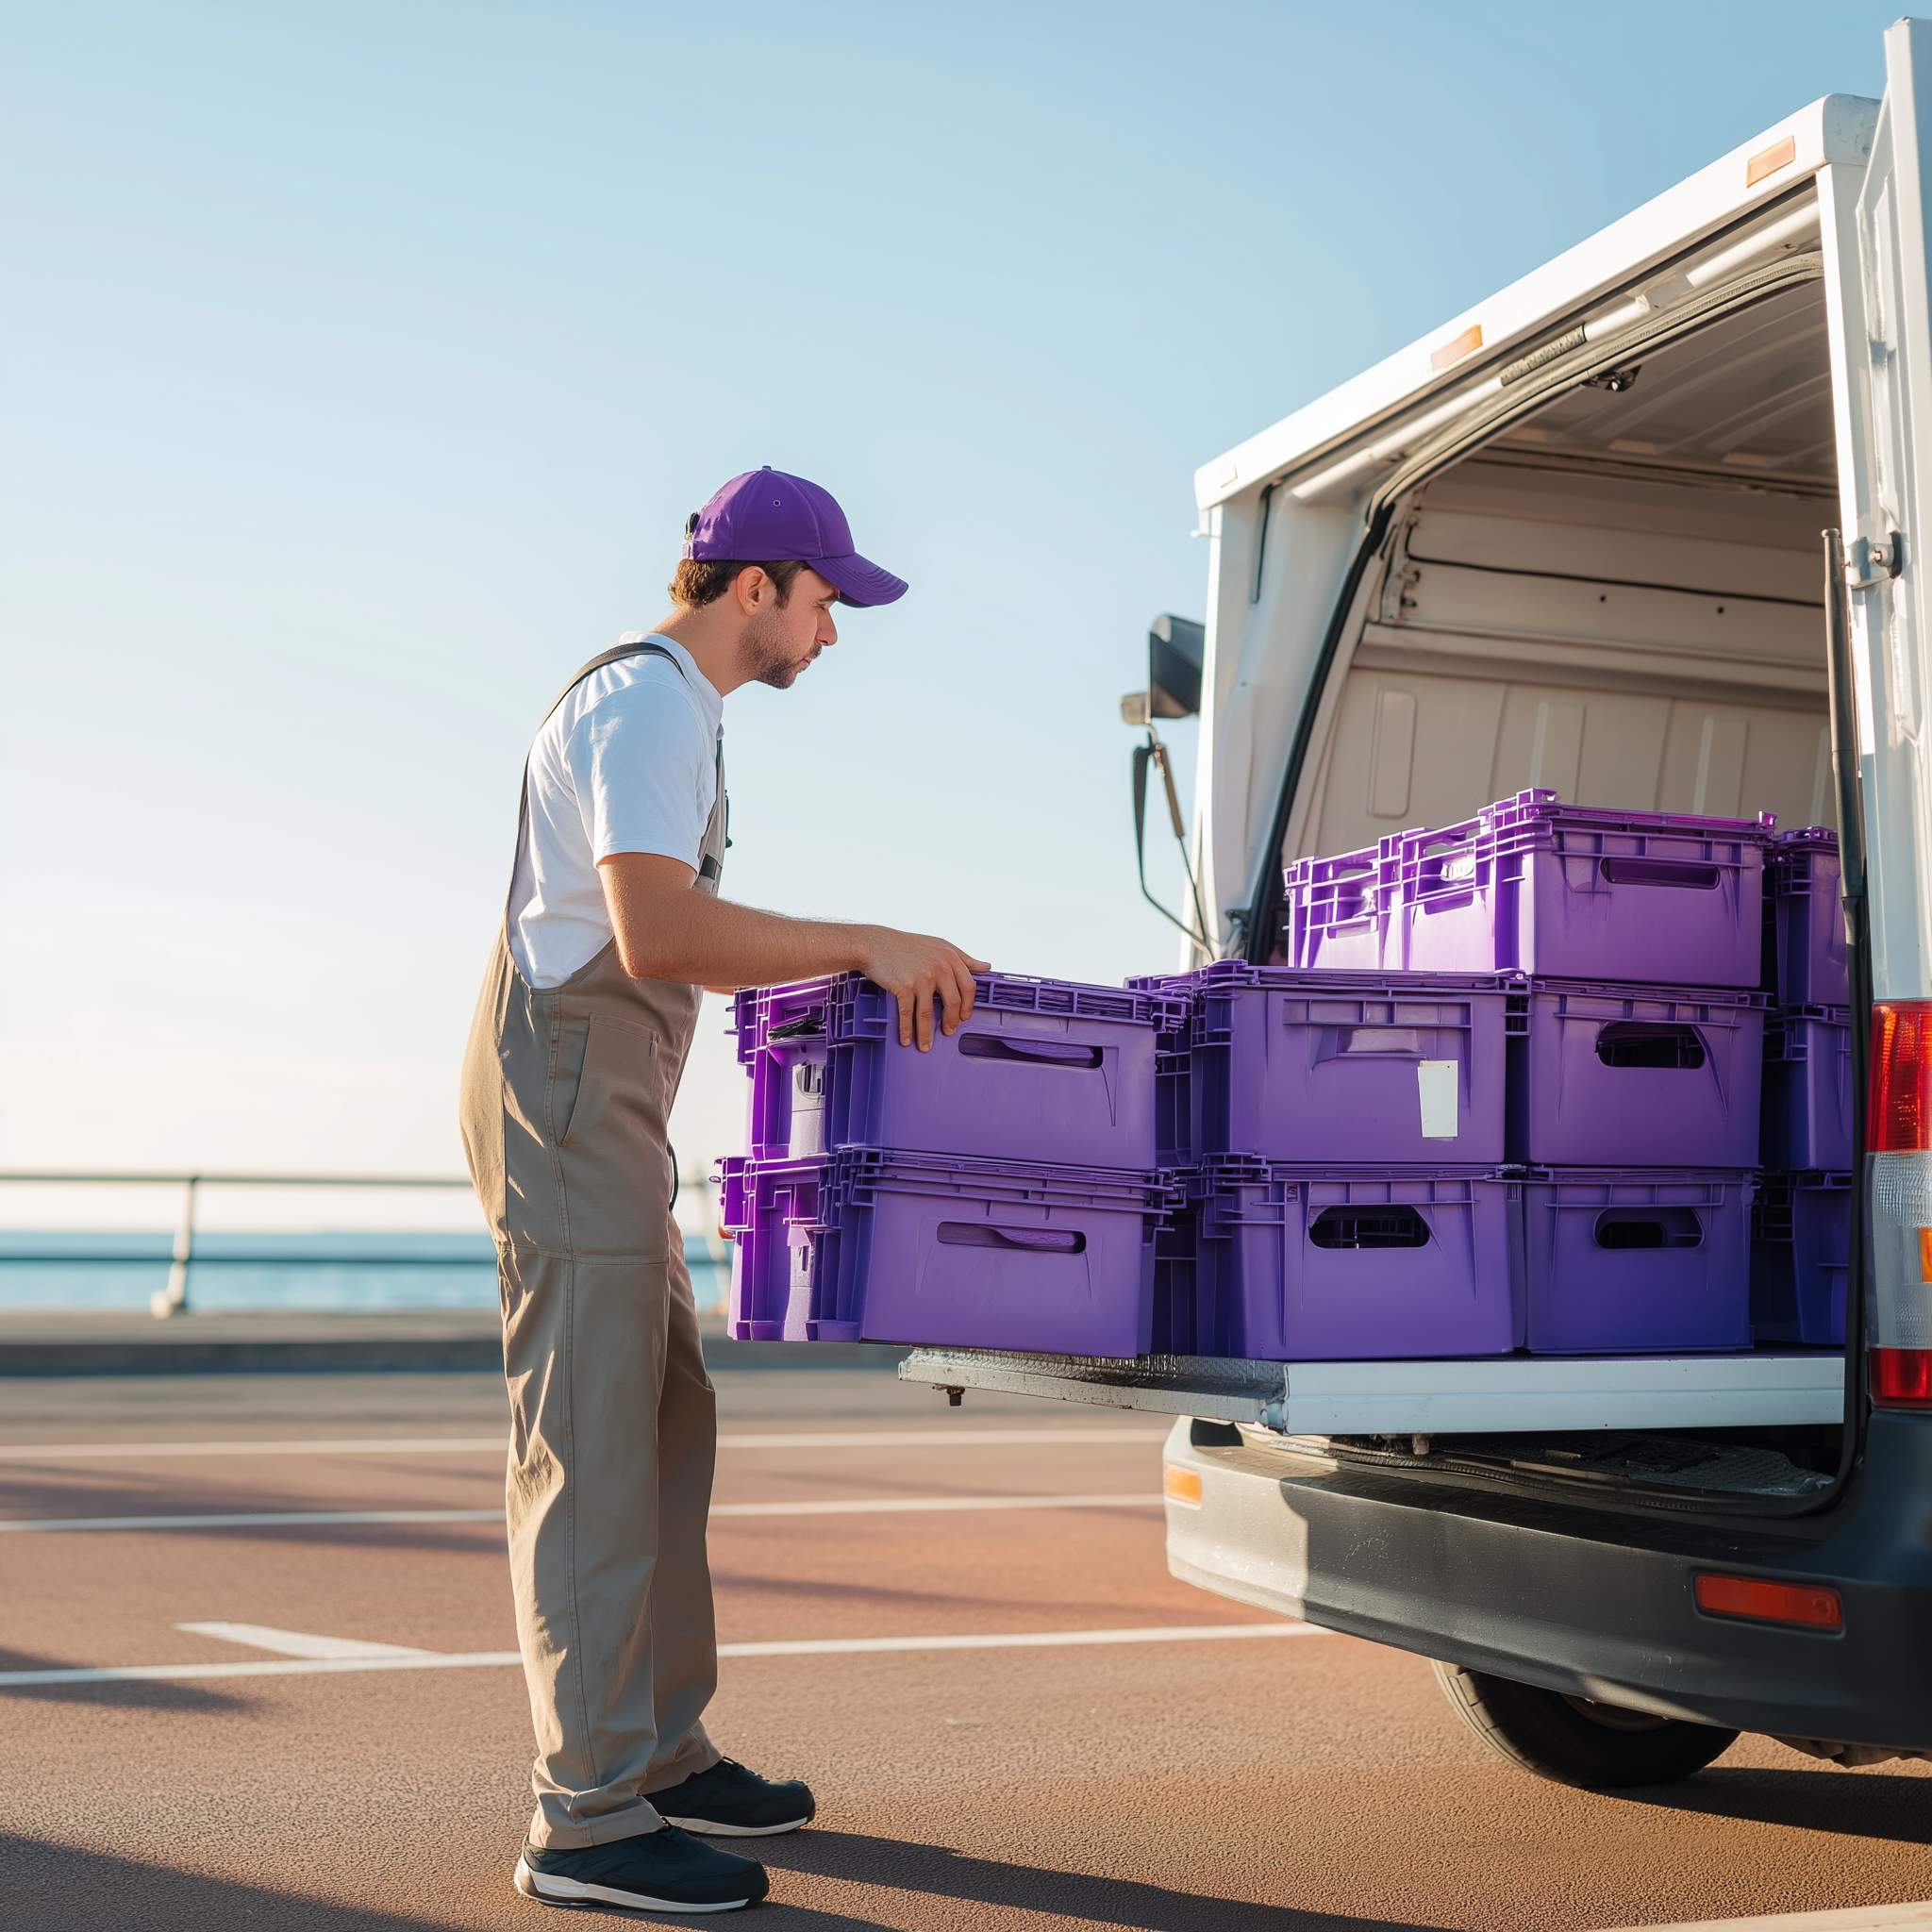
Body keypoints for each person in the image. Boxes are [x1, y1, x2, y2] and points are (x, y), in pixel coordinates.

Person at [458, 467, 988, 1914]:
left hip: (604, 1099)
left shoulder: (674, 715)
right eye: (827, 601)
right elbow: (658, 929)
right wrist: (867, 942)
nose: (834, 631)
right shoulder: (643, 708)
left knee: (664, 1415)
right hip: (567, 1091)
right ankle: (584, 1821)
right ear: (753, 588)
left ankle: (661, 1755)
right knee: (591, 1445)